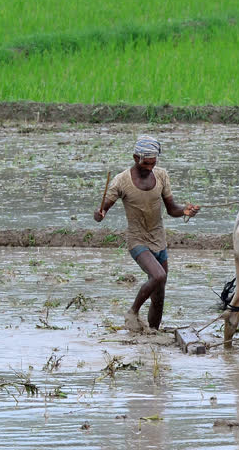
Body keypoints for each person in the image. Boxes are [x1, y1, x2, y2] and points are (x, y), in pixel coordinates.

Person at [94, 135, 200, 332]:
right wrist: (99, 214)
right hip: (138, 240)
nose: (150, 167)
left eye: (153, 163)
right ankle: (133, 312)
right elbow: (102, 211)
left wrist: (185, 211)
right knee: (158, 276)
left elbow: (171, 208)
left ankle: (153, 333)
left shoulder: (161, 176)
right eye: (146, 163)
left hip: (159, 240)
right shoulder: (121, 181)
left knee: (159, 295)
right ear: (136, 158)